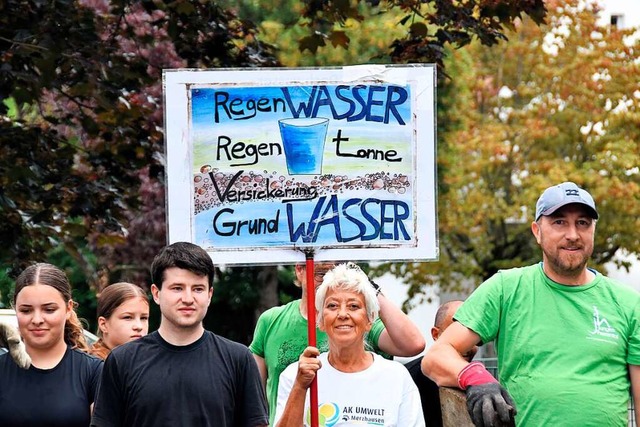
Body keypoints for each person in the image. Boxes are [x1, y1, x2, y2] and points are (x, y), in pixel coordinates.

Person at [422, 181, 640, 426]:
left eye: (583, 223)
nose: (572, 234)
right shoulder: (506, 288)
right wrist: (475, 377)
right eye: (559, 222)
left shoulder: (628, 303)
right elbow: (436, 357)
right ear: (537, 231)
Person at [91, 241, 268, 427]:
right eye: (177, 288)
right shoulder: (122, 361)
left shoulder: (238, 359)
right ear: (156, 293)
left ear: (209, 294)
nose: (188, 299)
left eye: (198, 289)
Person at [250, 261, 426, 424]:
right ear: (320, 321)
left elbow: (413, 343)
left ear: (370, 320)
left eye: (354, 306)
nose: (342, 314)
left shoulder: (397, 377)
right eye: (332, 306)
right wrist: (300, 386)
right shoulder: (294, 375)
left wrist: (368, 284)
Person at [0, 263, 103, 426]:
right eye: (26, 311)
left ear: (68, 309)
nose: (37, 320)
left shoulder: (94, 372)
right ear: (15, 309)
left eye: (49, 310)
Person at [405, 300, 477, 427]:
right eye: (455, 333)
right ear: (436, 334)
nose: (467, 344)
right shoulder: (406, 379)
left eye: (473, 334)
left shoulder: (483, 383)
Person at [89, 282, 149, 359]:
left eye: (143, 318)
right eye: (127, 317)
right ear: (103, 324)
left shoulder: (148, 363)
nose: (139, 326)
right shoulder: (94, 367)